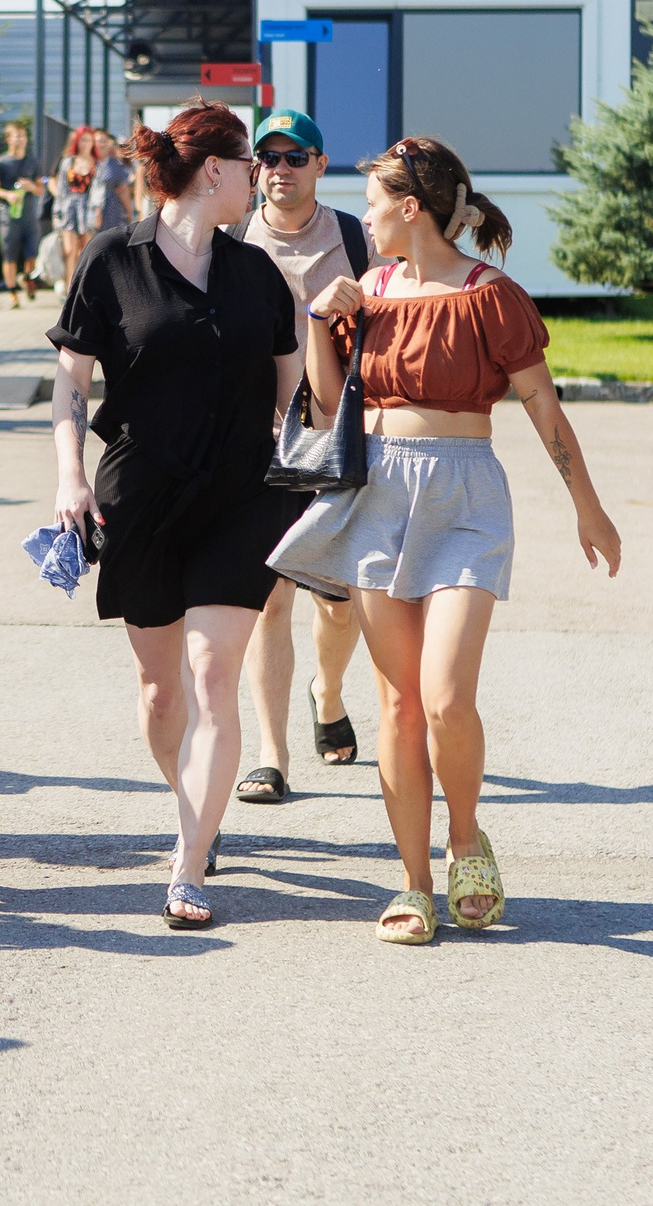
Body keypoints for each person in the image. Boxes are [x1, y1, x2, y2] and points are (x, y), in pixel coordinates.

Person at [272, 135, 623, 945]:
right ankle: (414, 882)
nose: (361, 219)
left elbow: (541, 404)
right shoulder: (370, 289)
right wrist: (326, 324)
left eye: (371, 204)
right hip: (378, 493)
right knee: (396, 704)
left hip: (465, 495)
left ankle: (466, 840)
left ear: (410, 208)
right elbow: (329, 409)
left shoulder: (489, 295)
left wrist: (588, 505)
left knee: (444, 696)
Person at [46, 100, 299, 930]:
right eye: (251, 164)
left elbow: (296, 388)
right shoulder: (110, 259)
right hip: (140, 495)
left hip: (241, 497)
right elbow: (71, 385)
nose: (264, 178)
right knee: (162, 695)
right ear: (218, 170)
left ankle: (190, 862)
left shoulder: (258, 271)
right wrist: (69, 476)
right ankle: (193, 801)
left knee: (212, 675)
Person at [231, 111, 374, 803]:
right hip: (255, 440)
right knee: (268, 599)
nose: (281, 170)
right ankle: (271, 751)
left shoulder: (354, 236)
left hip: (334, 438)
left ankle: (329, 692)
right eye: (269, 158)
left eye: (296, 157)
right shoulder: (234, 233)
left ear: (321, 164)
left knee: (339, 599)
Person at [0, 122, 46, 306]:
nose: (21, 139)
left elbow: (40, 189)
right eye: (17, 135)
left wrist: (31, 186)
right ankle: (13, 293)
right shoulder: (1, 163)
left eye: (23, 135)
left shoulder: (32, 162)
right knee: (9, 255)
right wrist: (7, 195)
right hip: (9, 216)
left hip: (29, 215)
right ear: (8, 139)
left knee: (32, 254)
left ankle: (27, 278)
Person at [52, 128, 101, 287]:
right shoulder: (68, 161)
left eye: (89, 140)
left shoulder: (97, 164)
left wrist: (96, 210)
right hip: (68, 208)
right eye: (83, 140)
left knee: (85, 251)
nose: (86, 144)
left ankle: (84, 286)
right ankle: (69, 287)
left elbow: (99, 190)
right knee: (69, 251)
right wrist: (57, 211)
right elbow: (61, 188)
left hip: (87, 210)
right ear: (77, 141)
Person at [92, 127, 136, 223]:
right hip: (89, 212)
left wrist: (129, 213)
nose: (101, 144)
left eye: (104, 141)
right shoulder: (88, 162)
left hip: (110, 212)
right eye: (98, 141)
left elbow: (123, 190)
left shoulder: (114, 165)